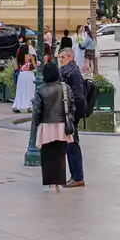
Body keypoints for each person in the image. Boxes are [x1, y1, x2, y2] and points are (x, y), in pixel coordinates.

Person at [30, 61, 73, 192]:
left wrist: (36, 123)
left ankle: (50, 181)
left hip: (46, 124)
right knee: (60, 153)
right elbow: (72, 105)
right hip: (62, 124)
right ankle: (58, 181)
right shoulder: (65, 88)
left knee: (47, 153)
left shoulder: (40, 89)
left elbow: (37, 110)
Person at [55, 47, 88, 188]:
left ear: (70, 57)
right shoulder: (65, 72)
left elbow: (78, 97)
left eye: (62, 57)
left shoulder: (74, 73)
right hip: (68, 113)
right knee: (70, 144)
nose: (60, 60)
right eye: (59, 57)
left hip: (72, 114)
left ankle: (78, 177)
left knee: (72, 144)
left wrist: (70, 111)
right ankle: (74, 176)